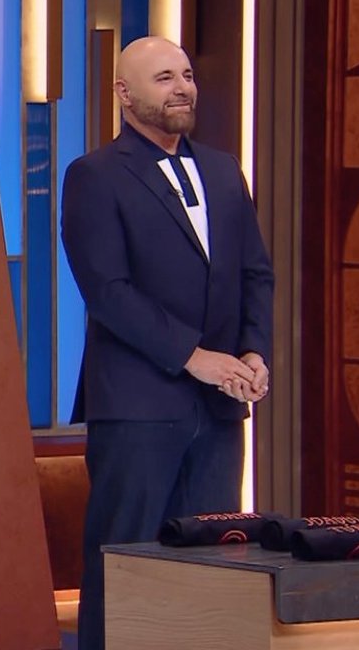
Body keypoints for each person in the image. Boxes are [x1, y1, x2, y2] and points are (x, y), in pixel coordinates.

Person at [61, 36, 275, 650]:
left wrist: (253, 352)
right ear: (124, 94)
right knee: (126, 564)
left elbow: (255, 273)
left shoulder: (224, 170)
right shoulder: (94, 175)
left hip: (219, 408)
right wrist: (195, 358)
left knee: (212, 564)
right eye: (164, 78)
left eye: (186, 75)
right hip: (137, 407)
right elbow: (108, 292)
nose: (182, 88)